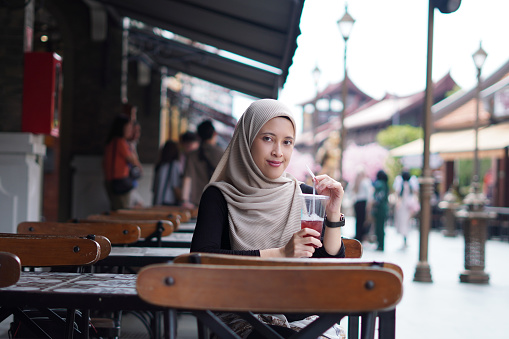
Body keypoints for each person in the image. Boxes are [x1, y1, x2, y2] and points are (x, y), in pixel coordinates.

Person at [191, 99, 346, 339]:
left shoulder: (305, 195)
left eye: (287, 142)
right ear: (246, 140)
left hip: (304, 316)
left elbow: (331, 267)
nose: (278, 152)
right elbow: (200, 259)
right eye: (267, 139)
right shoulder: (219, 196)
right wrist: (280, 253)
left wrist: (333, 214)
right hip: (243, 315)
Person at [102, 114, 142, 210]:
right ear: (122, 128)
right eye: (128, 127)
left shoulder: (111, 142)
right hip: (120, 183)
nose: (130, 131)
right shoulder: (120, 142)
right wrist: (132, 146)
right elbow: (133, 161)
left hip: (111, 181)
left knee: (117, 209)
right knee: (123, 211)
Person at [181, 120, 224, 208]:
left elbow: (187, 178)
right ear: (215, 133)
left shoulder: (192, 155)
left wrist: (184, 200)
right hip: (218, 202)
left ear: (198, 135)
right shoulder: (222, 153)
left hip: (198, 202)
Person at [393, 171, 420, 248]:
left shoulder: (401, 185)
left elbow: (397, 194)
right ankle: (405, 238)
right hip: (408, 206)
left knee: (403, 222)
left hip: (403, 206)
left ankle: (404, 238)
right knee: (407, 223)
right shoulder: (410, 185)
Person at [152, 140, 182, 206]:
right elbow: (175, 187)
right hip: (169, 202)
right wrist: (183, 200)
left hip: (157, 202)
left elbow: (153, 189)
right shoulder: (175, 165)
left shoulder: (159, 166)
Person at [349, 166, 373, 243]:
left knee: (358, 220)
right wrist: (369, 205)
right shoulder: (366, 182)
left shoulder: (355, 182)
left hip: (357, 203)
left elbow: (350, 193)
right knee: (362, 220)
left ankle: (358, 235)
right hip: (363, 203)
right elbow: (369, 194)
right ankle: (361, 236)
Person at [372, 170, 389, 251]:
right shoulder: (385, 184)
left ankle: (380, 244)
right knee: (381, 227)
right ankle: (381, 244)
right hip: (384, 208)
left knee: (379, 227)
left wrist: (374, 204)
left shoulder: (379, 184)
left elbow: (379, 196)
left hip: (379, 209)